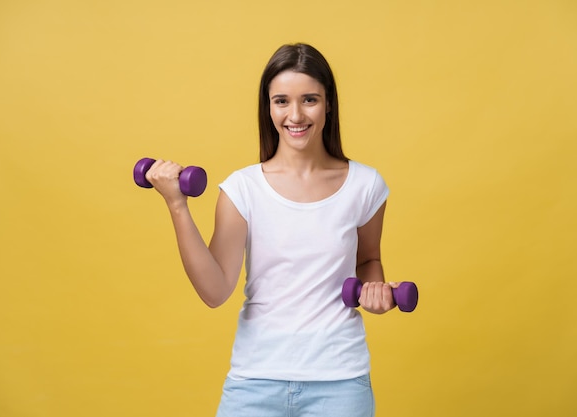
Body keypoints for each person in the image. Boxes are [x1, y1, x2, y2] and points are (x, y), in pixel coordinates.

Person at [145, 43, 398, 417]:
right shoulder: (242, 189)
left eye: (309, 99)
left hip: (340, 382)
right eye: (281, 101)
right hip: (255, 382)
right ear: (268, 107)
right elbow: (215, 292)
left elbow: (368, 259)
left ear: (328, 104)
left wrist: (375, 291)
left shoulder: (365, 185)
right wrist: (177, 205)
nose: (295, 115)